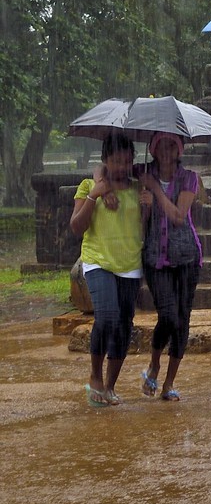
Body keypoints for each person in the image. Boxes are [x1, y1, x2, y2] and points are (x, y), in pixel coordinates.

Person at [72, 133, 143, 407]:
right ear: (104, 160)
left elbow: (143, 229)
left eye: (127, 161)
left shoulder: (139, 188)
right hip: (98, 260)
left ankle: (110, 387)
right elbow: (77, 227)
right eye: (115, 161)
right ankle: (95, 376)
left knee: (124, 326)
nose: (121, 167)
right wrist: (96, 195)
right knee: (108, 315)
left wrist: (147, 208)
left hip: (130, 265)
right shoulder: (90, 185)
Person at [137, 132, 205, 402]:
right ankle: (154, 364)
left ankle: (169, 383)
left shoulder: (189, 177)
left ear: (179, 150)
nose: (166, 151)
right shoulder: (142, 173)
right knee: (168, 316)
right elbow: (106, 170)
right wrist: (146, 203)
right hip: (156, 258)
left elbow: (178, 216)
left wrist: (155, 190)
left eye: (171, 146)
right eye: (160, 145)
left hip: (187, 257)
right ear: (153, 149)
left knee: (182, 322)